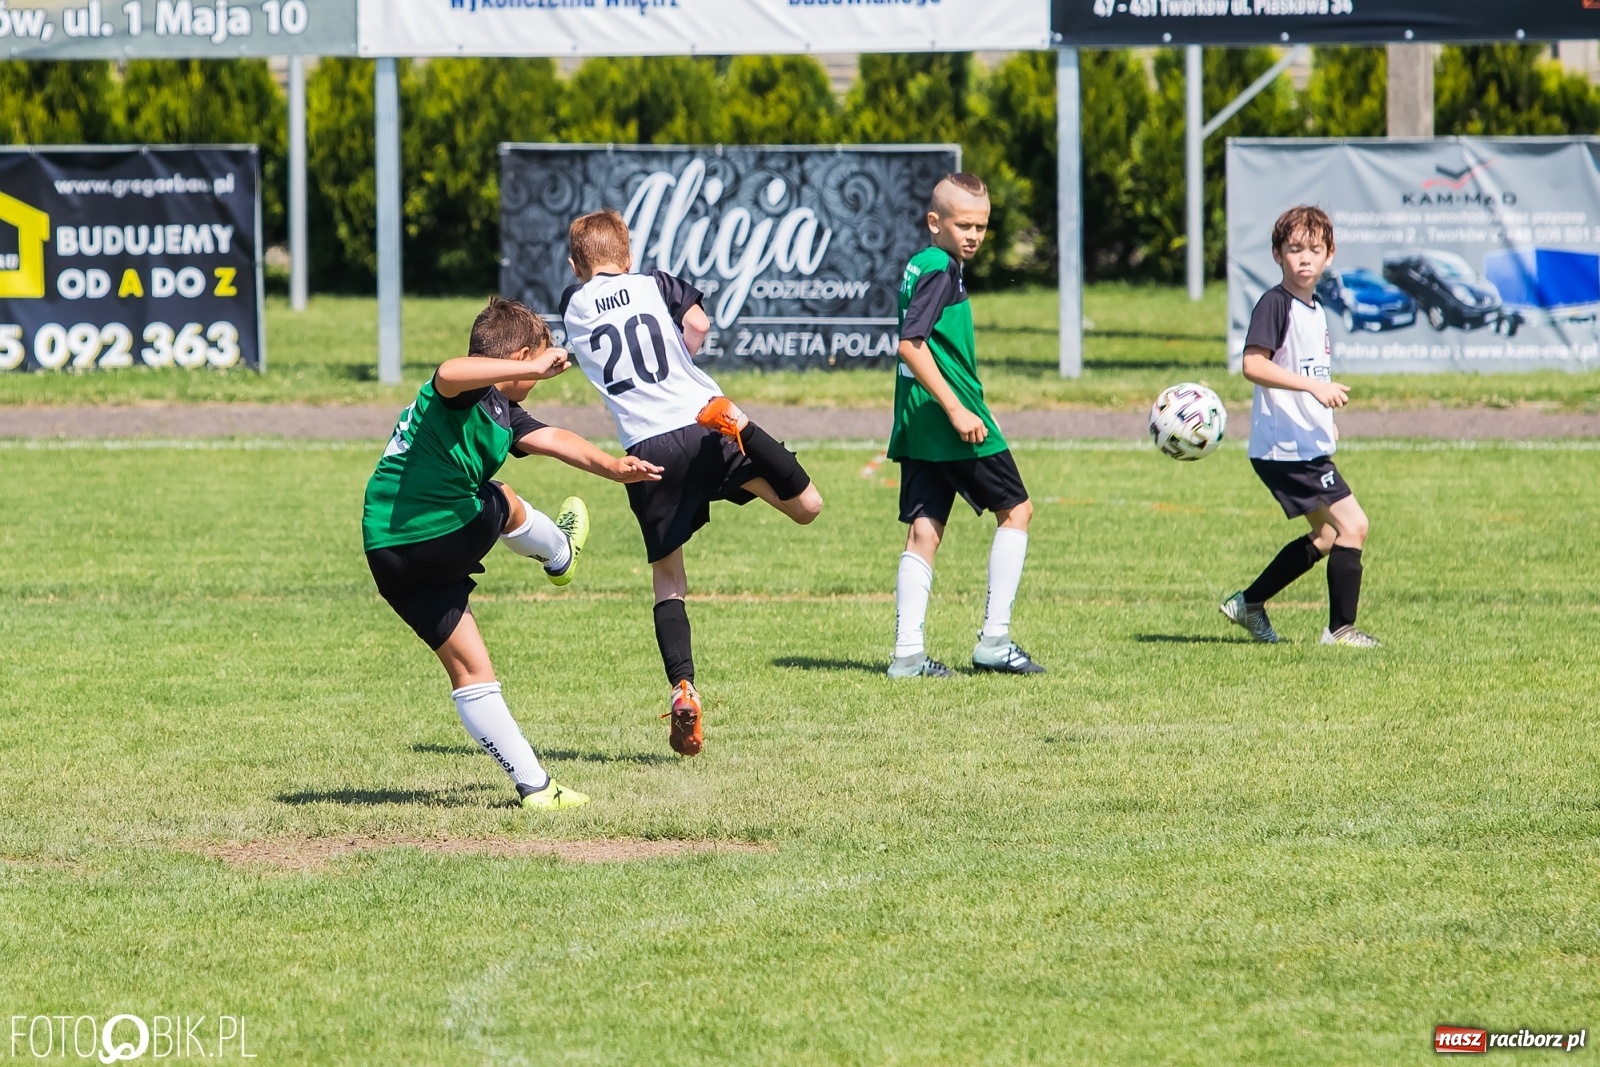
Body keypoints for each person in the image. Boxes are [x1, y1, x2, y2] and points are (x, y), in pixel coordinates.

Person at [362, 297, 664, 810]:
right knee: (499, 497)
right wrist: (531, 367)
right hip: (432, 533)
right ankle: (559, 552)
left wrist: (613, 468)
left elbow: (556, 438)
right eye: (538, 356)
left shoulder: (503, 411)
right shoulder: (463, 391)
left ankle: (536, 788)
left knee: (472, 671)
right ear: (522, 354)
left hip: (387, 551)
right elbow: (448, 370)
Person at [558, 210, 824, 756]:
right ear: (627, 257)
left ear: (576, 265)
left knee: (669, 579)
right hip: (706, 425)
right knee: (807, 506)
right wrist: (684, 357)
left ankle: (683, 687)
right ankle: (744, 424)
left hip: (648, 449)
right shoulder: (655, 282)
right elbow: (698, 325)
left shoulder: (573, 303)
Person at [887, 172, 1043, 678]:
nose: (973, 235)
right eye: (964, 225)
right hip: (947, 420)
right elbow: (911, 345)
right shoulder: (940, 269)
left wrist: (975, 400)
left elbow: (939, 345)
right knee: (1016, 510)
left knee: (924, 531)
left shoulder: (922, 263)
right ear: (936, 222)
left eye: (981, 226)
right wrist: (959, 408)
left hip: (919, 418)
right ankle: (995, 641)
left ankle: (907, 655)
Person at [1220, 204, 1380, 647]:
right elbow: (1253, 364)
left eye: (1314, 249)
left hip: (1304, 445)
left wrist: (1320, 413)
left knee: (1329, 535)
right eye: (1294, 249)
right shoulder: (1276, 303)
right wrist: (1311, 388)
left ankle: (1249, 604)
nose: (1304, 258)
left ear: (1330, 255)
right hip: (1286, 449)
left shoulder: (1316, 307)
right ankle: (1340, 630)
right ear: (1277, 254)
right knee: (1354, 526)